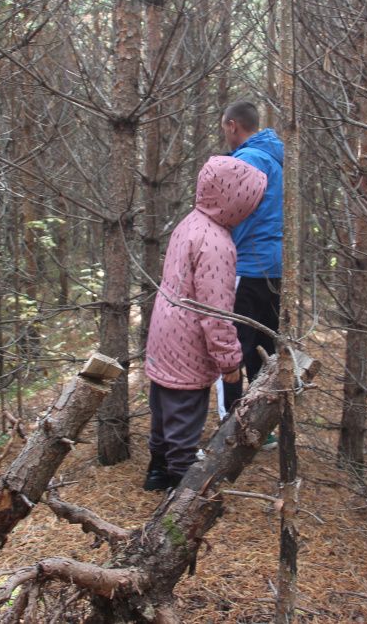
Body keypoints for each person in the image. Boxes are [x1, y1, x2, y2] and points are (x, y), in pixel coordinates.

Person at [143, 155, 268, 491]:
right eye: (250, 201)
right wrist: (230, 361)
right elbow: (216, 313)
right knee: (185, 414)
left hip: (163, 334)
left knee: (163, 407)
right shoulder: (217, 245)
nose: (253, 209)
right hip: (188, 342)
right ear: (234, 201)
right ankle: (181, 492)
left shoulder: (190, 223)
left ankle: (157, 470)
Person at [215, 101, 284, 426]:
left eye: (223, 127)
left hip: (246, 266)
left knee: (230, 349)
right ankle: (259, 426)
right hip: (275, 268)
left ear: (232, 125)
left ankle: (231, 425)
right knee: (264, 349)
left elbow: (224, 213)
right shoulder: (276, 159)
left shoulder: (246, 161)